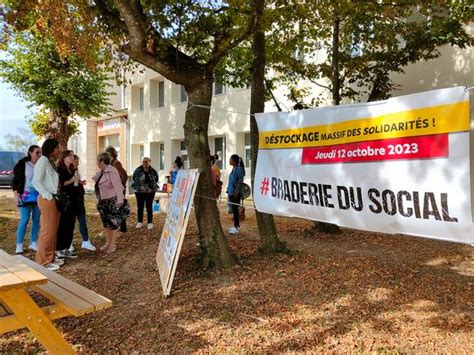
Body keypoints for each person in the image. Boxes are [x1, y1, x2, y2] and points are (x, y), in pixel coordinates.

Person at [33, 138, 62, 270]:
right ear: (51, 148)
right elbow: (36, 182)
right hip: (47, 199)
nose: (59, 150)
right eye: (57, 148)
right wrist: (48, 196)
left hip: (53, 198)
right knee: (47, 230)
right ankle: (43, 261)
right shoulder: (42, 162)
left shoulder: (49, 162)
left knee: (52, 230)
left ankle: (50, 258)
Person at [92, 152, 128, 253]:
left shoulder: (112, 171)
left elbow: (118, 186)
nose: (96, 163)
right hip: (103, 201)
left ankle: (113, 245)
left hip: (112, 201)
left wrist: (120, 200)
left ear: (102, 161)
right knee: (106, 224)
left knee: (113, 224)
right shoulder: (102, 171)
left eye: (97, 161)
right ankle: (108, 243)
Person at [11, 145, 42, 254]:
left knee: (36, 220)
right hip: (25, 196)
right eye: (37, 152)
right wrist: (16, 196)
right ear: (30, 152)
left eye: (40, 152)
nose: (39, 154)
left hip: (39, 196)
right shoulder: (22, 164)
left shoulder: (41, 164)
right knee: (24, 220)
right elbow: (14, 182)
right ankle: (19, 244)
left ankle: (33, 242)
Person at [69, 154, 96, 251]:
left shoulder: (76, 171)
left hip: (79, 200)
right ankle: (69, 243)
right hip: (72, 201)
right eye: (76, 162)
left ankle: (86, 241)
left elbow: (76, 183)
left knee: (82, 221)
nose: (78, 163)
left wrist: (81, 182)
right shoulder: (67, 171)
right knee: (70, 223)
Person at [105, 146, 128, 233]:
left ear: (112, 155)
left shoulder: (116, 164)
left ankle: (122, 229)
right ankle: (117, 227)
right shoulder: (111, 164)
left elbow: (124, 176)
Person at [132, 157, 159, 230]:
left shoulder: (153, 171)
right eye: (143, 161)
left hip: (150, 192)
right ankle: (139, 222)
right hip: (139, 192)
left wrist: (150, 187)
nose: (144, 163)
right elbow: (134, 178)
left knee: (149, 207)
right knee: (140, 207)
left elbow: (156, 179)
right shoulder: (138, 170)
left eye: (146, 161)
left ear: (150, 162)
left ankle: (150, 222)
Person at [226, 154, 245, 235]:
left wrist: (236, 192)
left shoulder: (239, 169)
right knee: (233, 210)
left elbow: (240, 181)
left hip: (235, 193)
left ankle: (237, 227)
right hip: (231, 192)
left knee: (235, 210)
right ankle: (235, 226)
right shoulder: (233, 169)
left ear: (234, 161)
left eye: (230, 159)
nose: (229, 161)